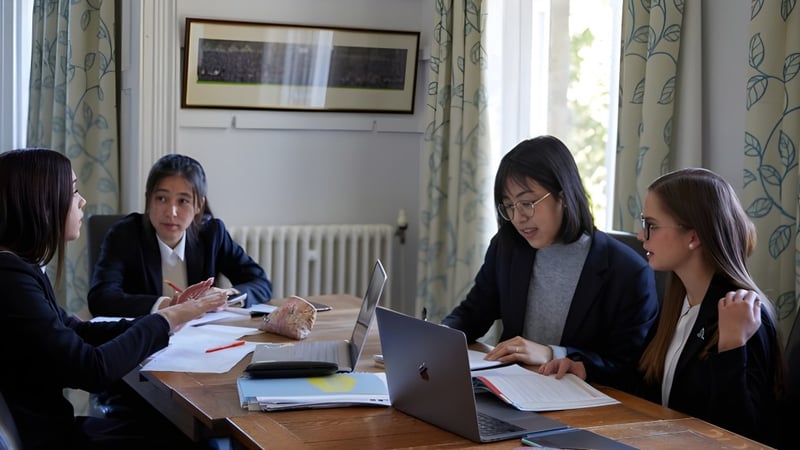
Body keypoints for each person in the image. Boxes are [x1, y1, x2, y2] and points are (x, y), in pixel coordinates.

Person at [0, 148, 227, 449]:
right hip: (49, 439)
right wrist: (167, 320)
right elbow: (92, 369)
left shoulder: (19, 267)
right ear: (41, 202)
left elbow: (75, 330)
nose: (82, 201)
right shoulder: (10, 277)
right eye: (73, 191)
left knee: (185, 433)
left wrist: (168, 316)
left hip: (53, 429)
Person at [541, 167, 785, 446]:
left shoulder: (745, 314)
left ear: (693, 237)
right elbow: (647, 385)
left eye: (651, 225)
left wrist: (732, 347)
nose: (640, 235)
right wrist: (587, 370)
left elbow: (744, 434)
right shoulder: (680, 300)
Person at [441, 135, 660, 389]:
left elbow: (626, 368)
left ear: (563, 196)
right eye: (509, 206)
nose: (518, 217)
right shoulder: (508, 247)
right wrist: (437, 337)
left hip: (584, 402)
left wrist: (552, 353)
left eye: (527, 203)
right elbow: (472, 314)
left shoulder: (628, 272)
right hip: (512, 390)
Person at [88, 153, 272, 318]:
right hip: (143, 339)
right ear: (148, 199)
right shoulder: (124, 234)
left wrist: (225, 297)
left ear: (198, 205)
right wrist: (170, 305)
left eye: (183, 201)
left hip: (199, 339)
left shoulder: (212, 234)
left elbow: (260, 283)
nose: (171, 212)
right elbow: (101, 298)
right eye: (161, 199)